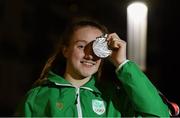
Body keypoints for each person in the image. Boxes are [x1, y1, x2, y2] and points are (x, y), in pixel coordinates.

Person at [15, 18, 171, 117]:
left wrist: (122, 63)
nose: (89, 55)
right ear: (66, 50)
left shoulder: (113, 98)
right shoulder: (37, 98)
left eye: (96, 48)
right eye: (81, 46)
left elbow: (159, 114)